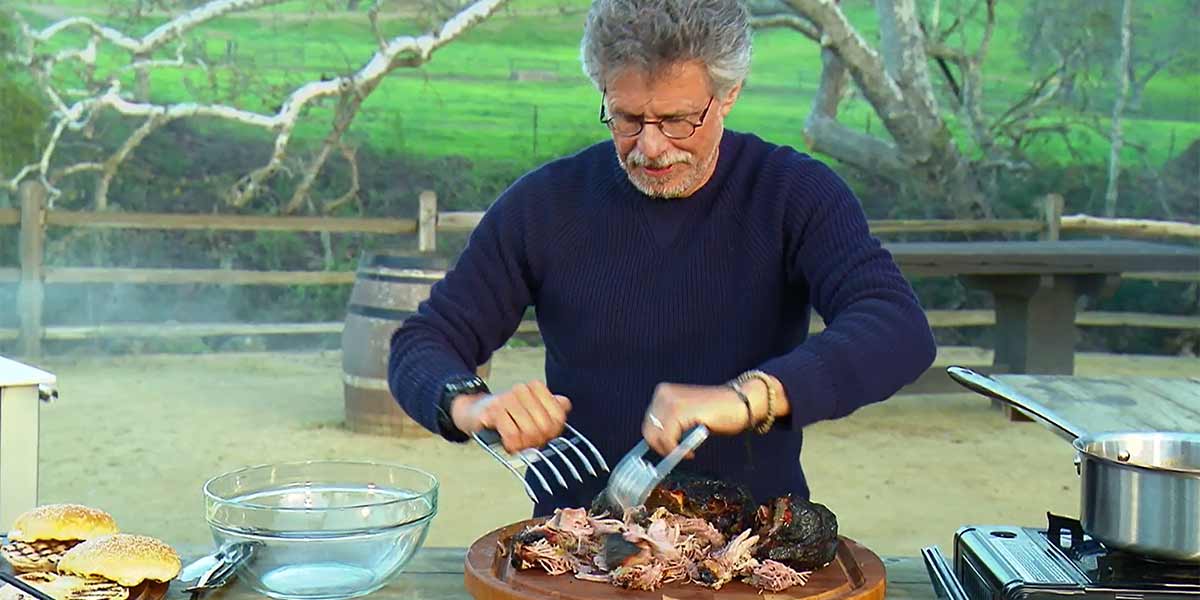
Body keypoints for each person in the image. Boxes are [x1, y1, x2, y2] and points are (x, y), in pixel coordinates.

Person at [388, 0, 937, 517]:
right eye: (626, 118)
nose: (650, 147)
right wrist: (471, 406)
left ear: (729, 95)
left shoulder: (794, 195)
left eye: (677, 120)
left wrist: (747, 398)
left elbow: (897, 328)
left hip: (754, 541)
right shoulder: (544, 205)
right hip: (578, 544)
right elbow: (423, 343)